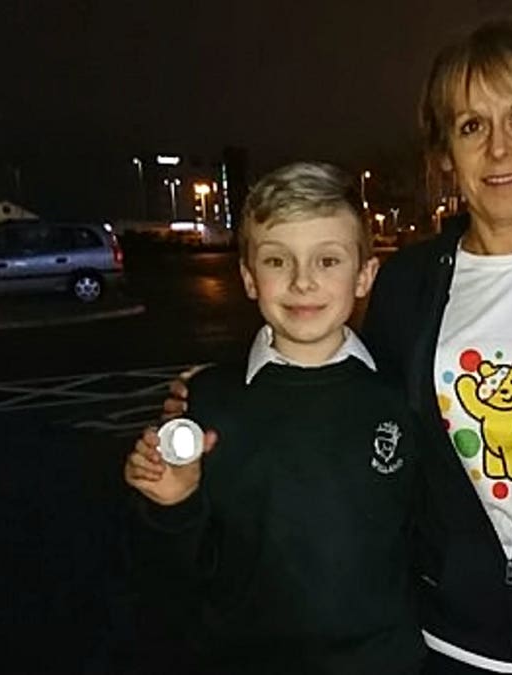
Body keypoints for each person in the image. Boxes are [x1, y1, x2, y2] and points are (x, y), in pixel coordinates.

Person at [165, 17, 512, 674]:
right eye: (472, 126)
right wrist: (217, 397)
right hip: (447, 647)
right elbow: (352, 403)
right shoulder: (411, 283)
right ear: (446, 150)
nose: (499, 149)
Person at [125, 161, 425, 674]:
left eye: (328, 260)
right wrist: (171, 507)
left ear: (364, 276)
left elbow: (431, 540)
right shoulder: (211, 403)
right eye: (277, 261)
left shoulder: (400, 397)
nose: (303, 282)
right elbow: (173, 573)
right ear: (247, 277)